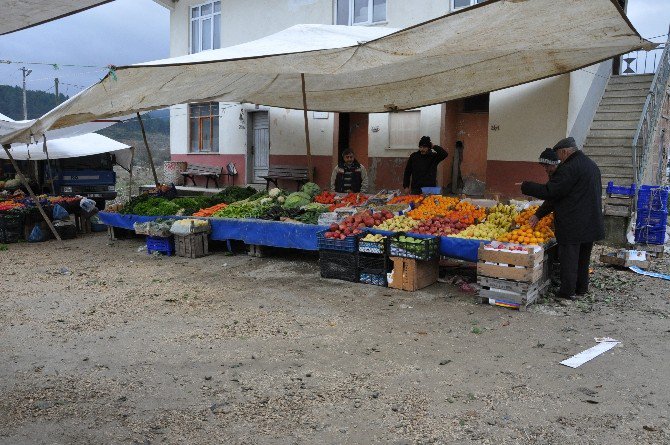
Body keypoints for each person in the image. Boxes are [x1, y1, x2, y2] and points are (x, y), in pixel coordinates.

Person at [521, 137, 604, 300]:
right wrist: (539, 214)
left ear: (565, 151)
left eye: (559, 154)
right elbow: (558, 196)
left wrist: (526, 186)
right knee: (583, 259)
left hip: (573, 223)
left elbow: (551, 192)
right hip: (591, 221)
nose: (558, 158)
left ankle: (567, 292)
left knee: (569, 259)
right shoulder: (591, 165)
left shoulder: (569, 168)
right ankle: (581, 288)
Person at [529, 148, 560, 227]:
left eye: (546, 166)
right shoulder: (552, 173)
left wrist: (538, 214)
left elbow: (552, 196)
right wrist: (538, 215)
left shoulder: (561, 176)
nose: (545, 169)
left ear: (553, 164)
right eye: (543, 166)